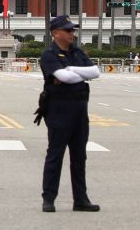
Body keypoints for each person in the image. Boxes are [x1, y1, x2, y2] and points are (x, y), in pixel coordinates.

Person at [39, 16, 100, 213]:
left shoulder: (77, 52)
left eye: (73, 30)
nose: (72, 33)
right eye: (68, 31)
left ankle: (80, 199)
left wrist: (72, 69)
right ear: (56, 33)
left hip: (80, 111)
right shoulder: (49, 54)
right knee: (55, 156)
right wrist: (72, 74)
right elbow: (63, 77)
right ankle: (49, 198)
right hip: (59, 110)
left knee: (79, 157)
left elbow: (95, 72)